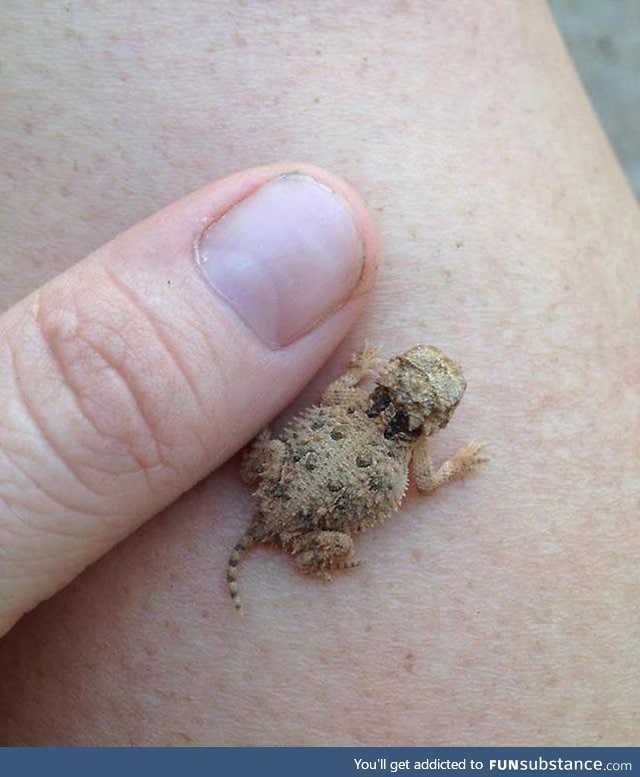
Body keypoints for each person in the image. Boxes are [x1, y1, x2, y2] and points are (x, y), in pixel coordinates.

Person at [0, 1, 638, 745]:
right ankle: (301, 555)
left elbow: (341, 399)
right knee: (328, 540)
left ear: (409, 402)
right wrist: (457, 464)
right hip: (304, 504)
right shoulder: (407, 450)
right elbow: (424, 487)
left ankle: (265, 537)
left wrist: (367, 376)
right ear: (417, 409)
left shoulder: (359, 402)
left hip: (281, 476)